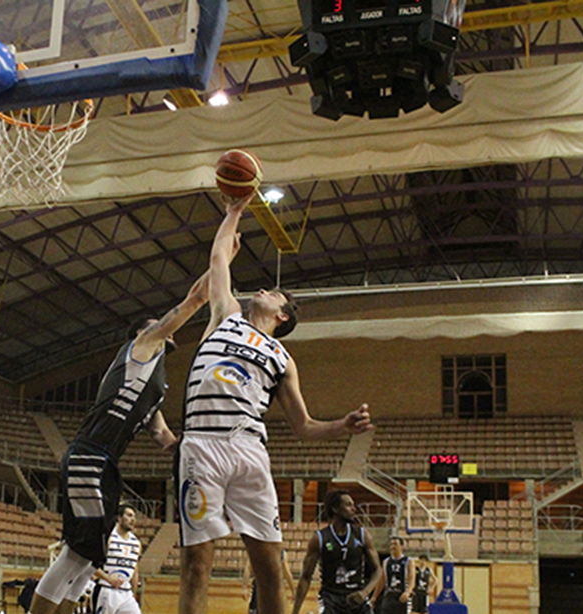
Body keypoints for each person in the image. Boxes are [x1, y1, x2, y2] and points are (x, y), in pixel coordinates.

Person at [178, 194, 373, 614]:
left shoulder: (283, 358)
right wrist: (234, 211)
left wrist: (343, 424)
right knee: (196, 565)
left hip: (249, 449)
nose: (261, 289)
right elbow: (218, 260)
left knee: (268, 565)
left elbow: (302, 426)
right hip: (201, 445)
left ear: (282, 316)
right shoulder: (225, 315)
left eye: (271, 292)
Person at [30, 271, 209, 614]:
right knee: (76, 553)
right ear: (145, 332)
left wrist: (196, 448)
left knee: (90, 557)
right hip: (88, 454)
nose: (167, 329)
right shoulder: (139, 349)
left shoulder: (154, 386)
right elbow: (193, 300)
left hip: (107, 462)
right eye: (160, 325)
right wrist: (219, 264)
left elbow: (163, 437)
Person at [292, 491, 383, 614]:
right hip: (331, 599)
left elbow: (377, 570)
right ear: (335, 508)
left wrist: (364, 592)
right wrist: (295, 611)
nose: (354, 509)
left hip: (356, 596)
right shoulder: (319, 538)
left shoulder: (362, 534)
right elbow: (306, 577)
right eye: (348, 505)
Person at [91, 505, 143, 614]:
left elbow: (135, 570)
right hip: (106, 590)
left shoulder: (136, 543)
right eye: (129, 515)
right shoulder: (108, 538)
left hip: (126, 593)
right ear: (119, 518)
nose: (132, 519)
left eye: (134, 516)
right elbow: (91, 565)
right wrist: (109, 579)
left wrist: (133, 593)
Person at [247, 548, 296, 614]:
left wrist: (293, 590)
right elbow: (287, 573)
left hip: (264, 583)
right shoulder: (280, 552)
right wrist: (293, 590)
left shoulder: (259, 548)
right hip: (270, 583)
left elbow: (287, 573)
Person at [376, 537, 414, 614]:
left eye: (395, 544)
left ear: (402, 546)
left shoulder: (408, 561)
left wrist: (408, 592)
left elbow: (412, 580)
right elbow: (382, 581)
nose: (393, 546)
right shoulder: (386, 562)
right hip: (389, 596)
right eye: (391, 544)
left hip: (402, 595)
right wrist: (374, 597)